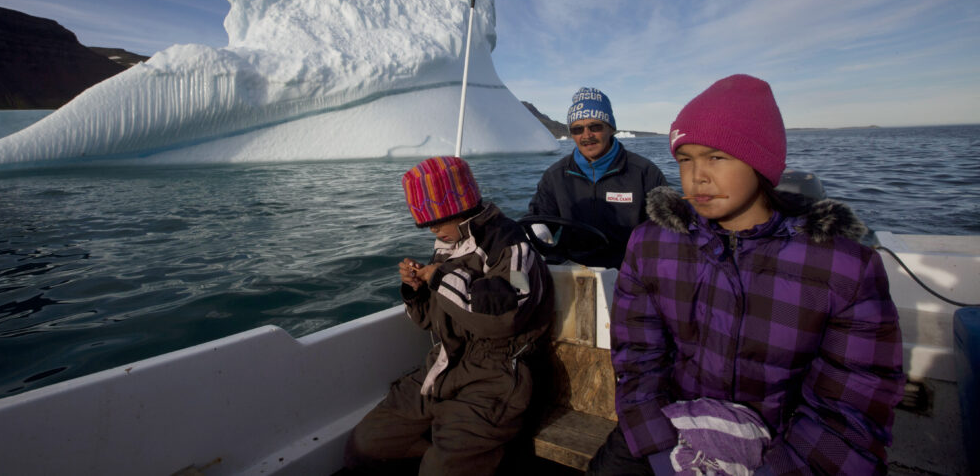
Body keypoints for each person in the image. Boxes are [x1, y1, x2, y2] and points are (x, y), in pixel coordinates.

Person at [588, 74, 905, 476]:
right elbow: (638, 361)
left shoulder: (842, 268)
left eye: (716, 157)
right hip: (668, 432)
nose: (696, 176)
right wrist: (659, 448)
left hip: (784, 449)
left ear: (761, 161)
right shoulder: (652, 246)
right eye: (685, 159)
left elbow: (850, 408)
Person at [345, 155, 554, 476]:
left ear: (460, 207)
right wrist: (417, 292)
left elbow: (509, 311)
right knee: (365, 443)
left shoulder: (513, 247)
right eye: (425, 223)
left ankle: (464, 460)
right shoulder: (447, 244)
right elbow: (432, 321)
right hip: (444, 366)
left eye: (437, 221)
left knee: (439, 470)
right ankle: (461, 459)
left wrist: (443, 279)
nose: (432, 229)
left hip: (496, 378)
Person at [528, 87, 667, 268]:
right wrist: (536, 232)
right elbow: (538, 219)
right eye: (578, 129)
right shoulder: (556, 176)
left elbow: (666, 232)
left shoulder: (645, 173)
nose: (586, 135)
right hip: (571, 269)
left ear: (611, 128)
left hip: (629, 272)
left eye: (595, 127)